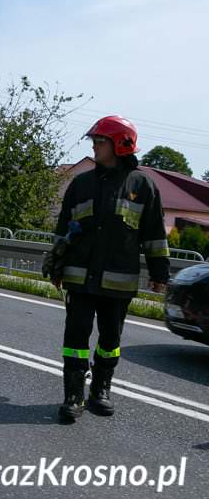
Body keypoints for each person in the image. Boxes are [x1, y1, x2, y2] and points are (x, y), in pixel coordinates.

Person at [50, 115, 169, 422]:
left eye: (99, 142)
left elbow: (154, 235)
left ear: (120, 144)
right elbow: (64, 230)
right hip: (79, 277)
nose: (94, 146)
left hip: (118, 282)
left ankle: (100, 390)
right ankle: (73, 396)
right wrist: (56, 264)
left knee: (110, 341)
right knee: (75, 340)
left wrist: (159, 274)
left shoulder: (143, 186)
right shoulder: (81, 183)